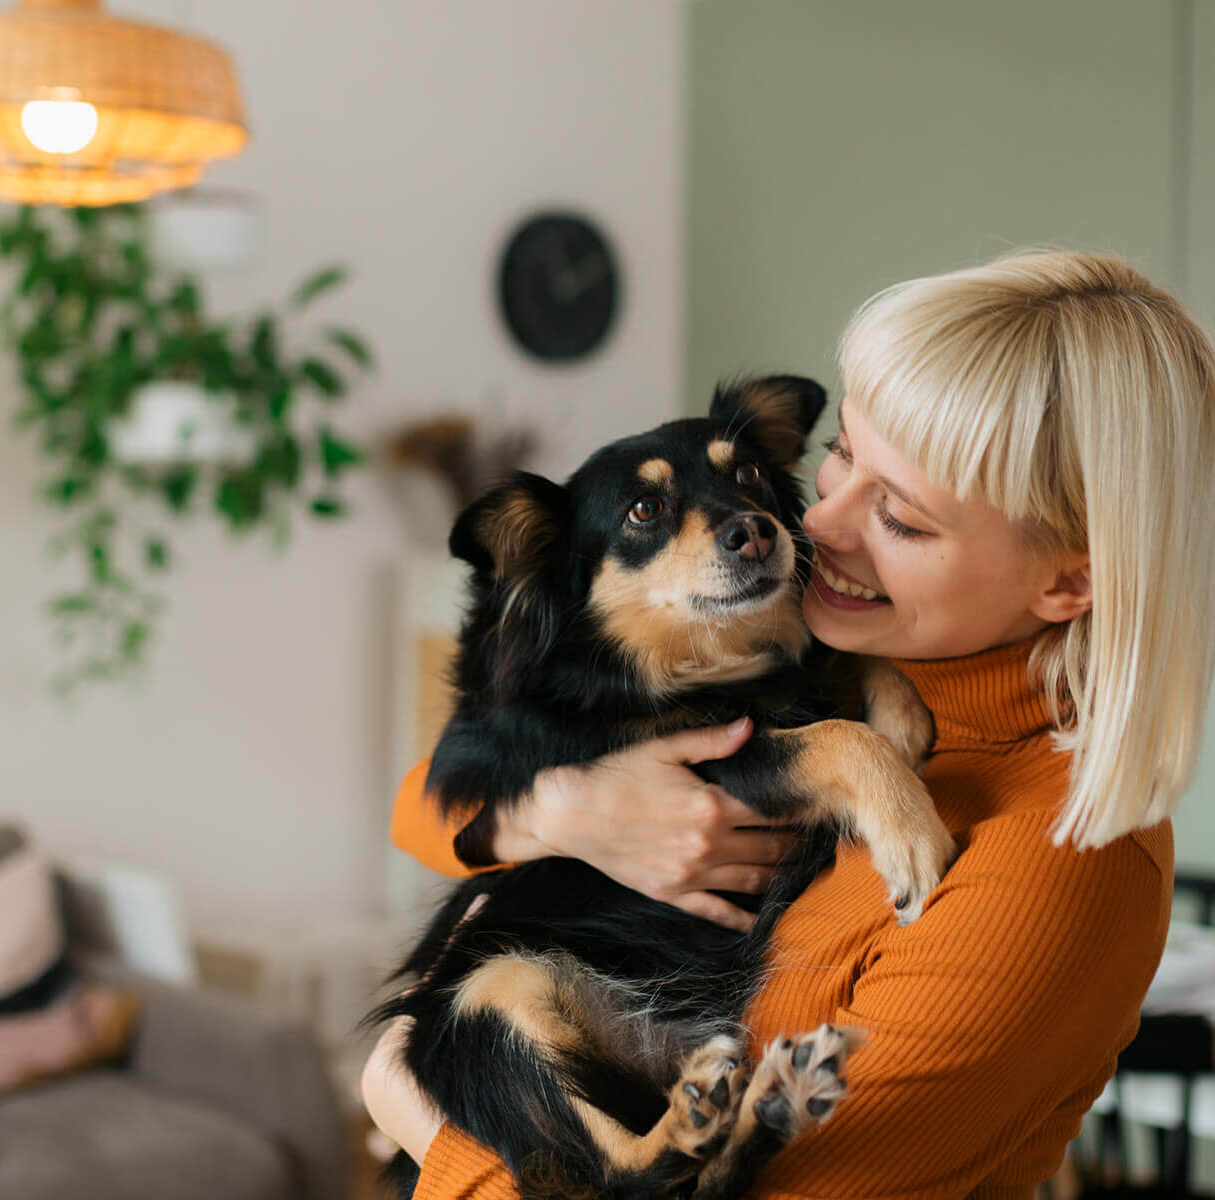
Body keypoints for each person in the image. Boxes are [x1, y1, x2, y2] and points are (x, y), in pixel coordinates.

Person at [363, 250, 1215, 1200]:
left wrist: (418, 1121)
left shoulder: (1054, 868)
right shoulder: (825, 670)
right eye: (843, 453)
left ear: (1068, 579)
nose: (817, 523)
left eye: (901, 515)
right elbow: (424, 806)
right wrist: (569, 815)